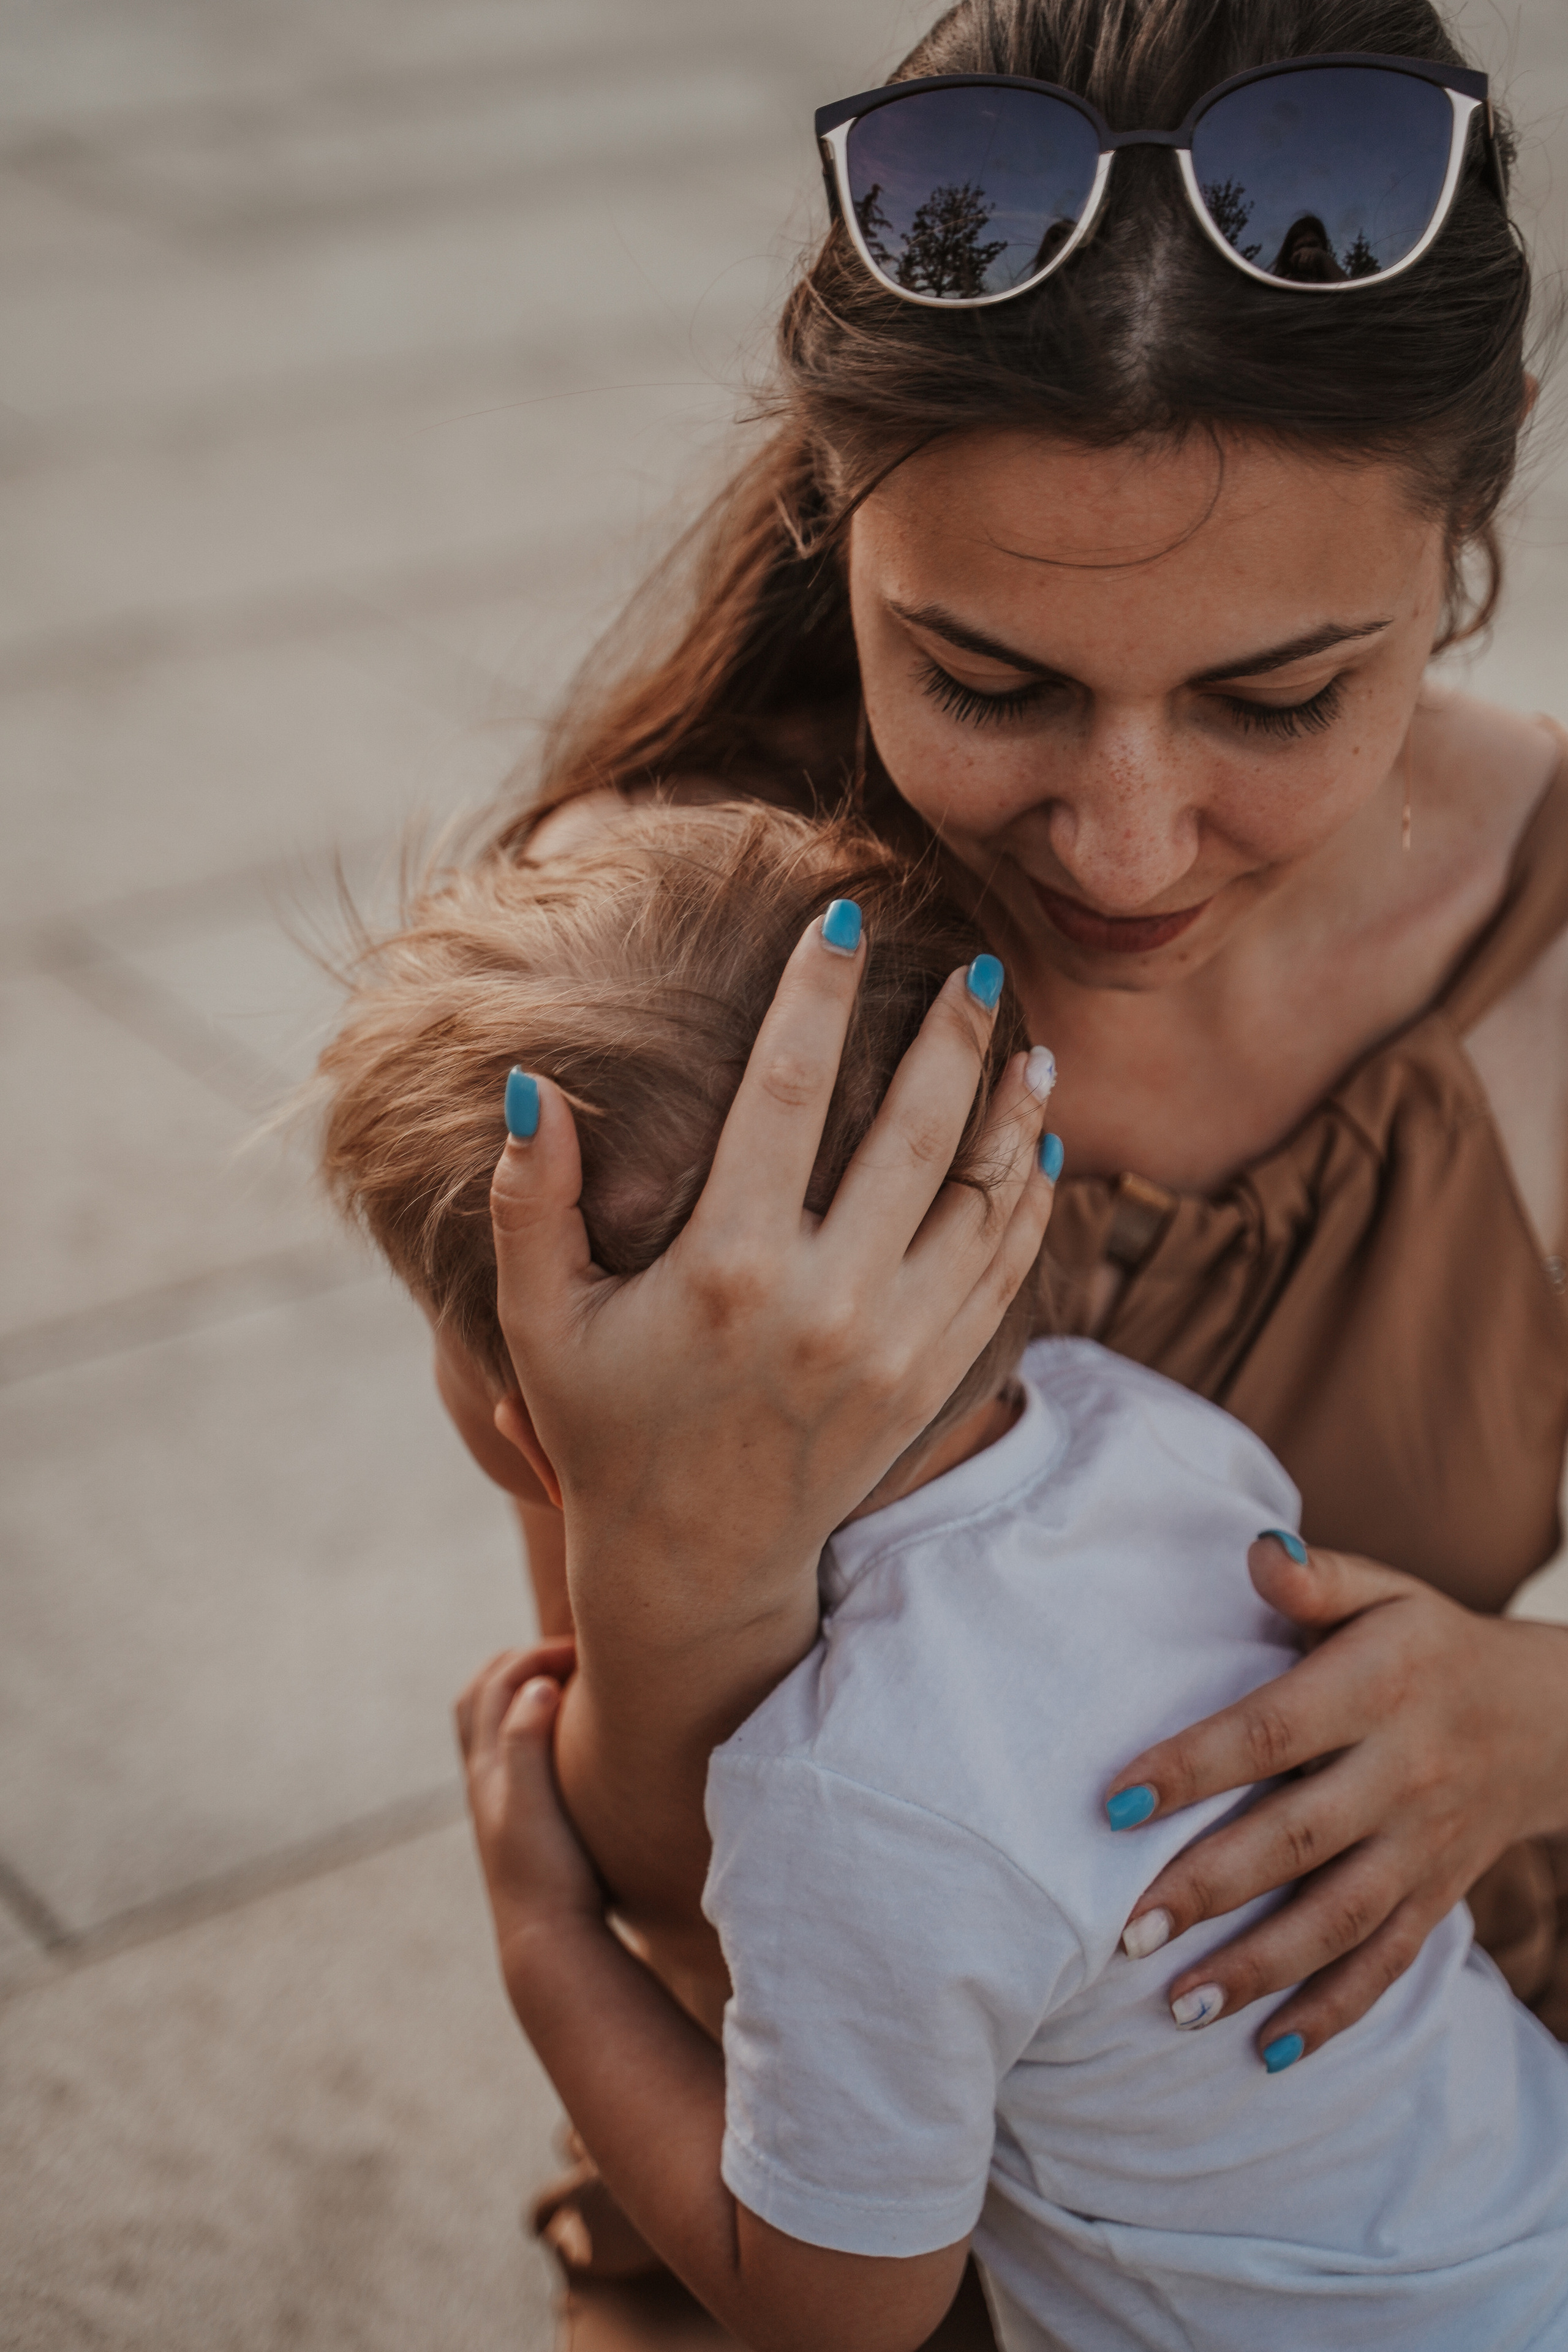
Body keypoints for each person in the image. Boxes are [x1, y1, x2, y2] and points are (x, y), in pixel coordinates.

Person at [454, 1, 1568, 2340]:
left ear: (1466, 545)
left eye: (1281, 700)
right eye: (987, 680)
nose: (1128, 848)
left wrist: (1536, 1718)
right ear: (835, 514)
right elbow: (679, 1882)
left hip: (1423, 2158)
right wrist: (685, 1550)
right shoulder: (664, 996)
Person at [312, 799, 1568, 2351]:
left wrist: (546, 1947)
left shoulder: (849, 1798)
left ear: (537, 1438)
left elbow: (837, 2311)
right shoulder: (1154, 1434)